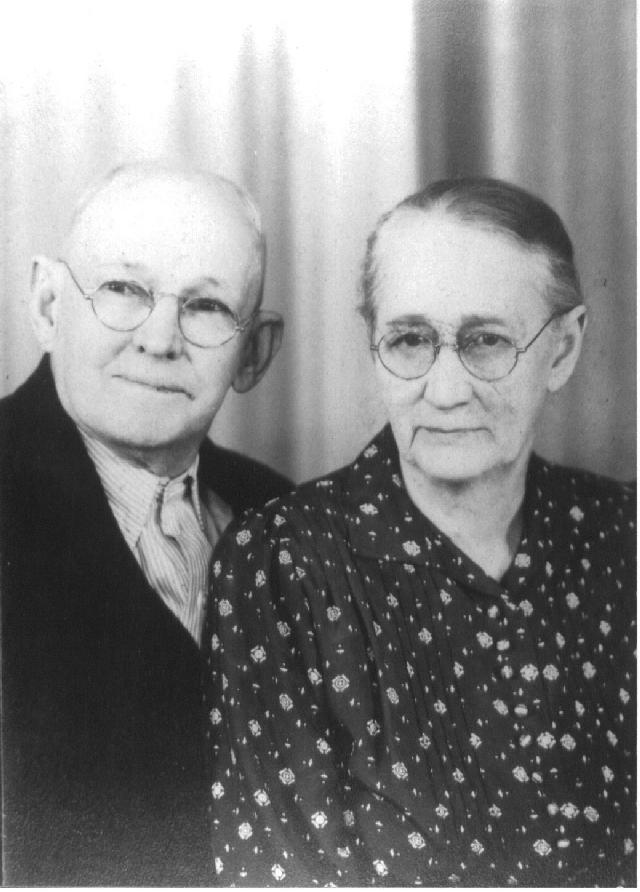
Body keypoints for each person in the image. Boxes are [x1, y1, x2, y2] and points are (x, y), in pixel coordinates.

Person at [205, 177, 635, 886]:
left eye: (487, 341)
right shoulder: (284, 565)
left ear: (562, 350)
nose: (445, 390)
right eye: (409, 340)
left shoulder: (623, 535)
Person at [0, 162, 292, 885]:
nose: (160, 340)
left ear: (254, 352)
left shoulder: (288, 523)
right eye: (124, 290)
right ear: (47, 304)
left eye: (206, 307)